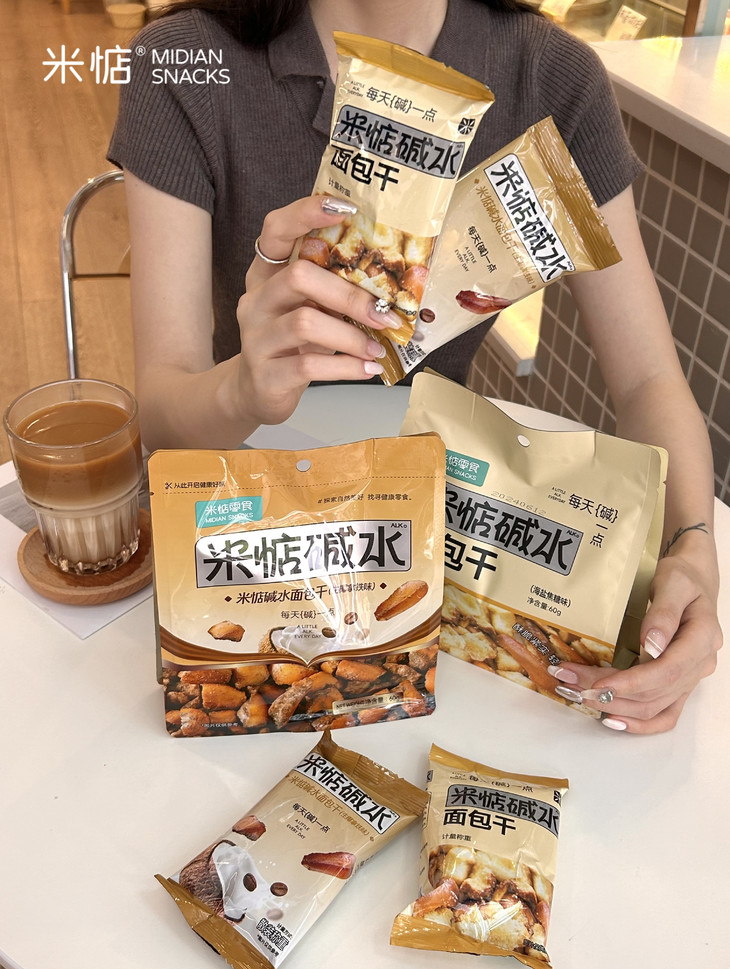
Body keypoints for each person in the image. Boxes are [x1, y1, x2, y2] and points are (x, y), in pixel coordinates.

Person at [108, 0, 722, 734]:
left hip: (441, 546)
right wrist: (243, 386)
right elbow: (162, 411)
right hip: (235, 542)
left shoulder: (548, 76)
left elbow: (648, 378)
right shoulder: (182, 62)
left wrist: (693, 546)